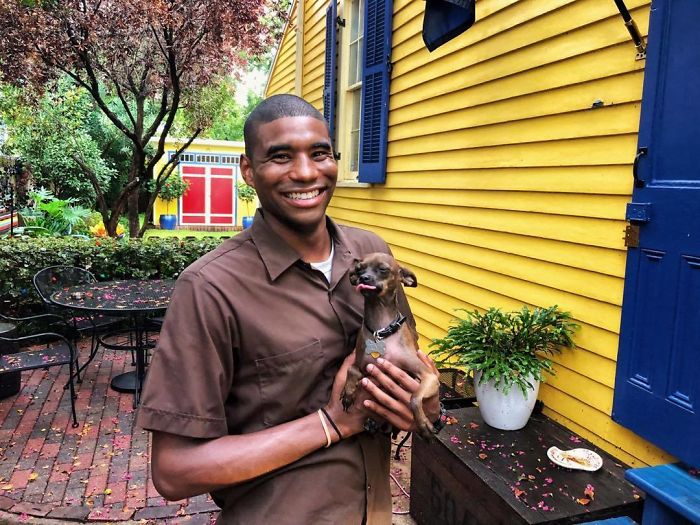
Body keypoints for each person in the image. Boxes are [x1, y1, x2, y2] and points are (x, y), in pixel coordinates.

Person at [137, 94, 441, 525]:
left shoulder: (371, 252)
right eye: (281, 156)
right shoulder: (209, 288)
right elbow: (173, 471)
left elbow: (404, 358)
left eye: (320, 153)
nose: (305, 172)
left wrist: (424, 403)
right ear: (248, 170)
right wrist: (331, 423)